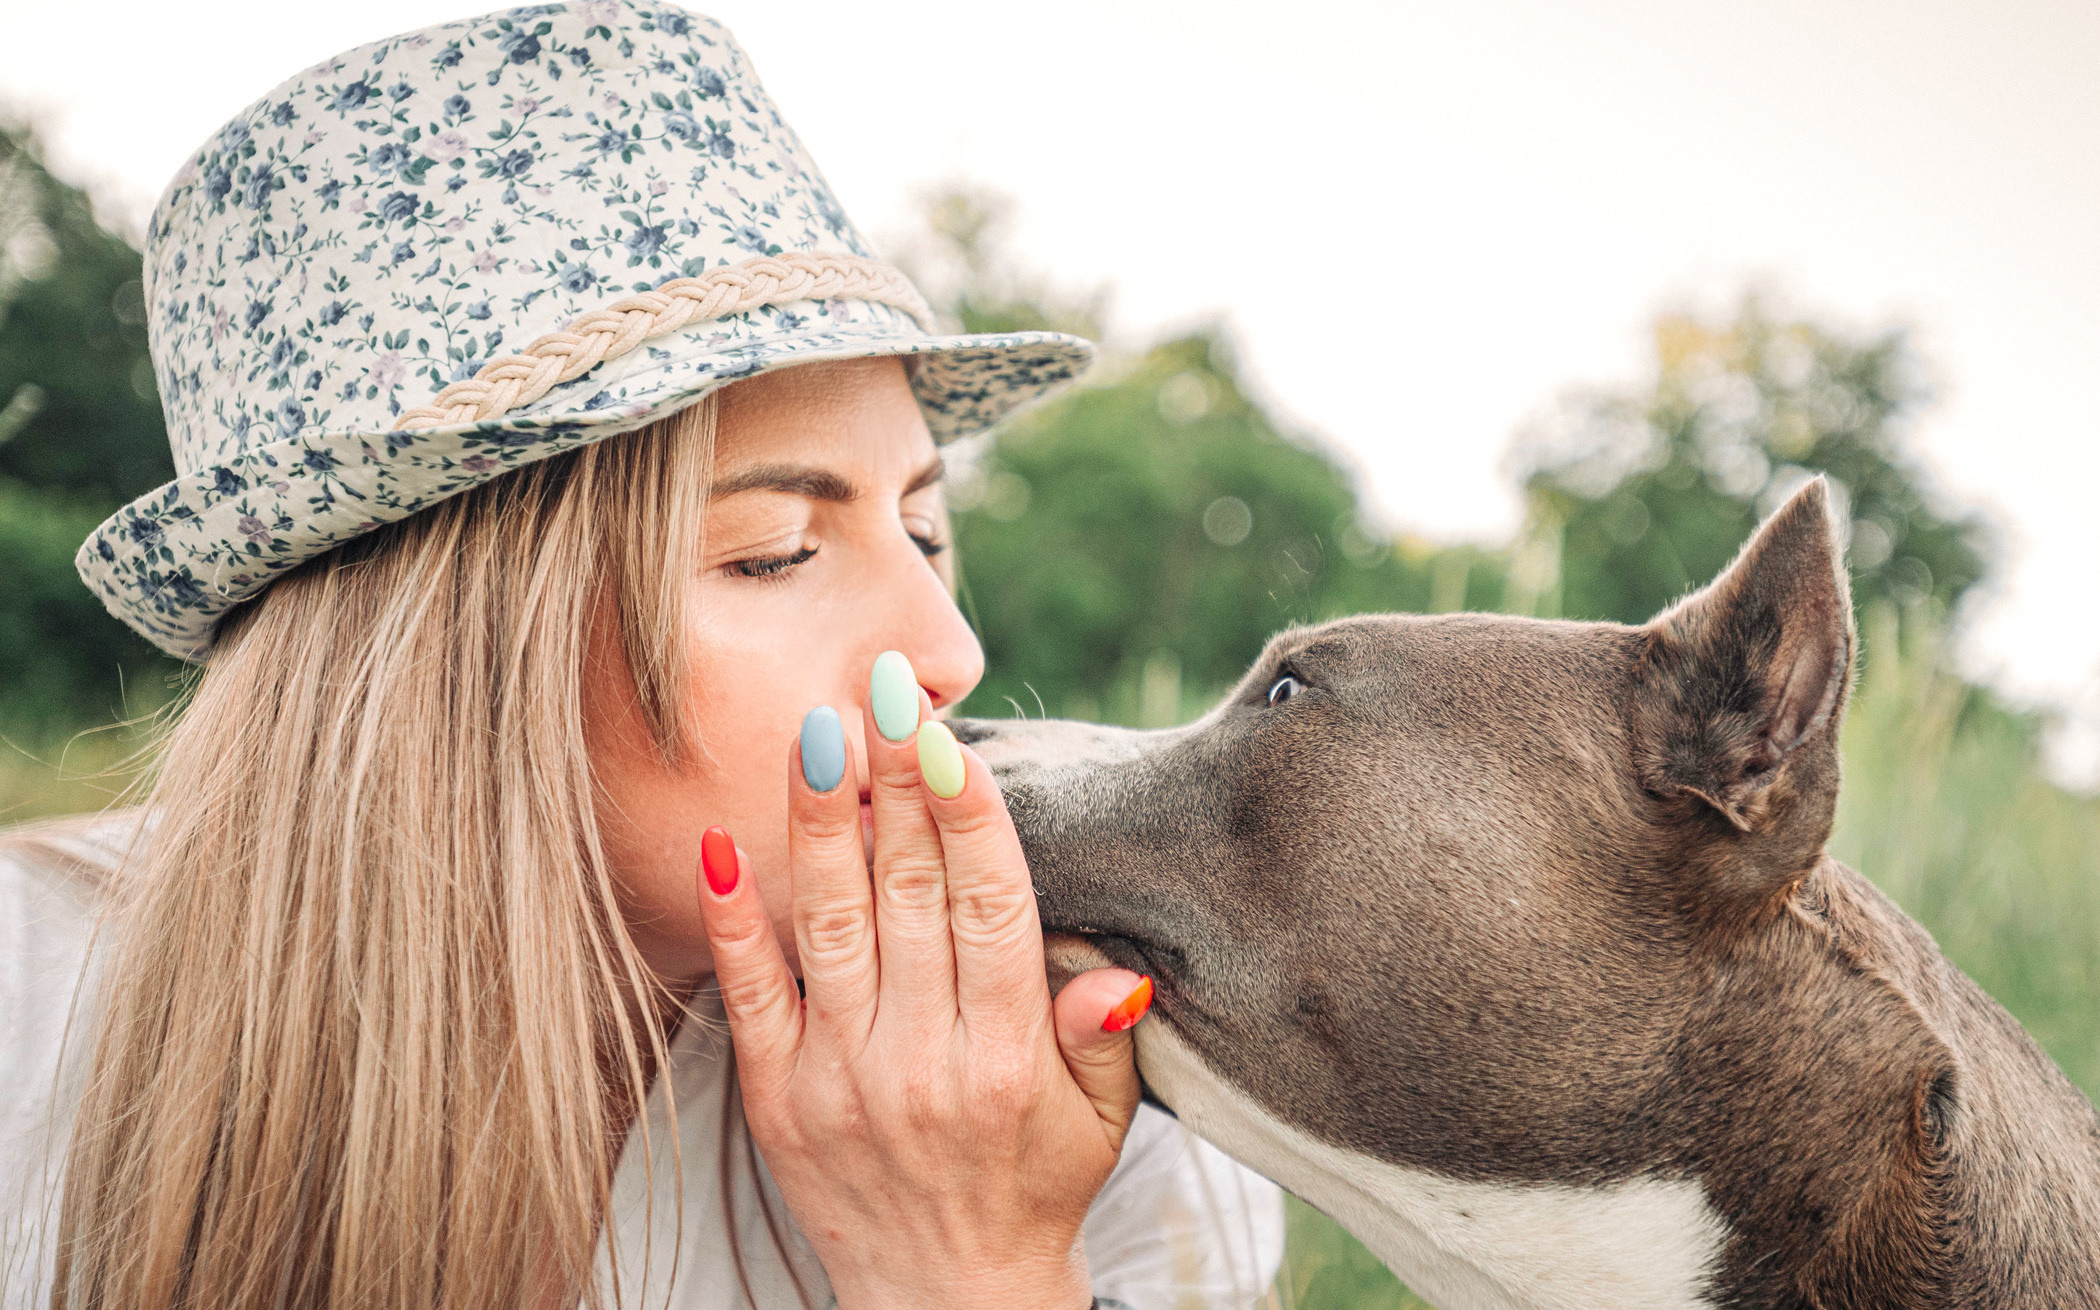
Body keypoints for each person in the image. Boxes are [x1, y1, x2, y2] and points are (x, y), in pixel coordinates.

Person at [0, 5, 1285, 1308]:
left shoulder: (1065, 1115)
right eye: (777, 548)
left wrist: (975, 1267)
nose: (949, 652)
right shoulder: (25, 1012)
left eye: (924, 526)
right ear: (452, 668)